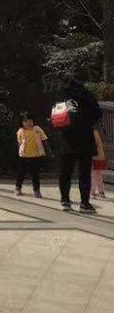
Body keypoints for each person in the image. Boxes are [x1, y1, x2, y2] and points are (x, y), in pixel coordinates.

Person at [53, 78, 102, 214]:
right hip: (85, 138)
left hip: (66, 138)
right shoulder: (87, 95)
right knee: (84, 173)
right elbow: (98, 113)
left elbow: (56, 115)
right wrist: (86, 121)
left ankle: (65, 201)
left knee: (65, 172)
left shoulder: (61, 95)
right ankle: (84, 203)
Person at [15, 114, 48, 197]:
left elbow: (44, 139)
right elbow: (19, 142)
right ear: (22, 123)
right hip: (24, 156)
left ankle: (36, 191)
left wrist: (48, 151)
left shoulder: (37, 129)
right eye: (26, 121)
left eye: (30, 121)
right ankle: (18, 188)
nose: (29, 123)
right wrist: (20, 152)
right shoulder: (20, 131)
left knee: (35, 174)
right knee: (21, 173)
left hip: (36, 155)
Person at [92, 126, 107, 201]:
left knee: (92, 175)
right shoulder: (97, 132)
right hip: (100, 156)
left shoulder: (91, 132)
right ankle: (101, 191)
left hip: (94, 157)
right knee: (98, 174)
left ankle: (93, 192)